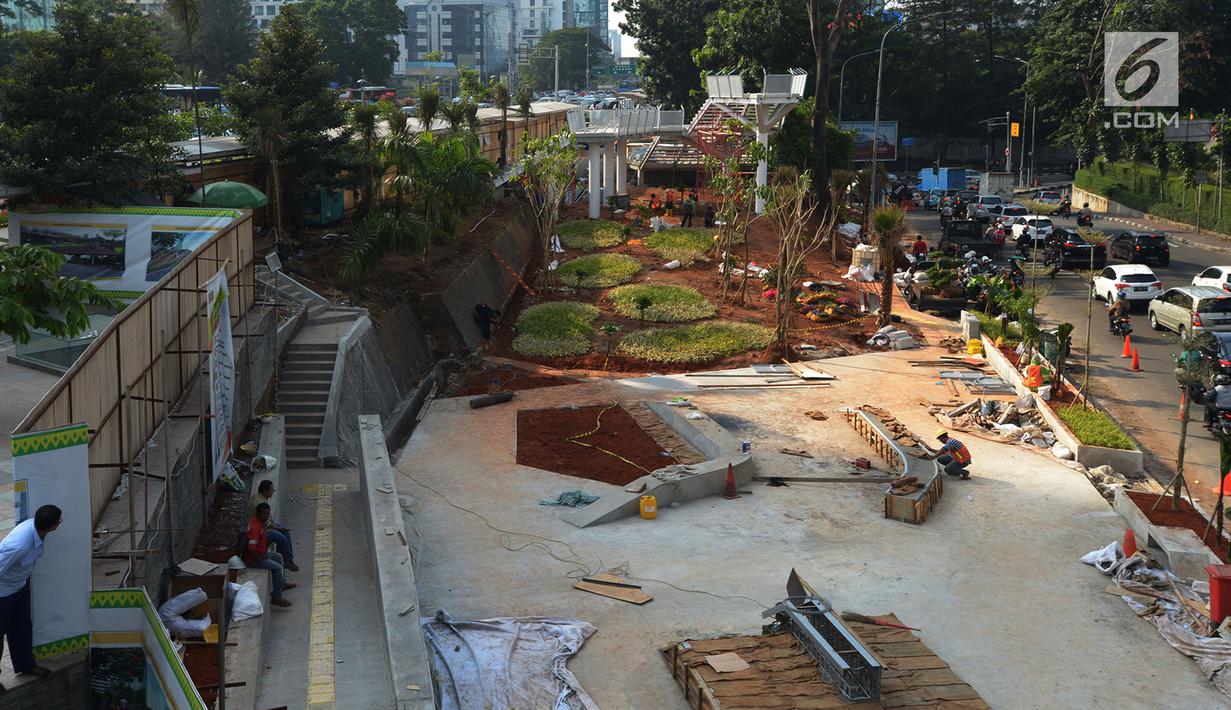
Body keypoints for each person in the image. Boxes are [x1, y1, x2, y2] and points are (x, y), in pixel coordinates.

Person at [0, 505, 62, 688]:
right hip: (3, 594)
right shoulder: (19, 545)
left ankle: (25, 665)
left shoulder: (36, 530)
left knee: (22, 627)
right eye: (59, 520)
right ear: (53, 526)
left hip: (19, 586)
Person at [244, 503, 295, 608]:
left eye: (267, 514)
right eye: (263, 514)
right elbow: (251, 548)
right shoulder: (255, 528)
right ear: (257, 514)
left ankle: (282, 583)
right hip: (253, 559)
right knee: (277, 567)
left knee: (278, 557)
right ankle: (276, 597)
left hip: (261, 553)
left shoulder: (260, 522)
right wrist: (260, 558)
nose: (265, 516)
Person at [248, 481, 297, 572]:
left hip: (265, 526)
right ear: (266, 491)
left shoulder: (261, 498)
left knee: (285, 531)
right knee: (281, 537)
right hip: (262, 530)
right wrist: (278, 528)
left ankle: (288, 559)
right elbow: (266, 523)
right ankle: (286, 560)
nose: (273, 491)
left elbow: (268, 521)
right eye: (272, 489)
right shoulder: (259, 503)